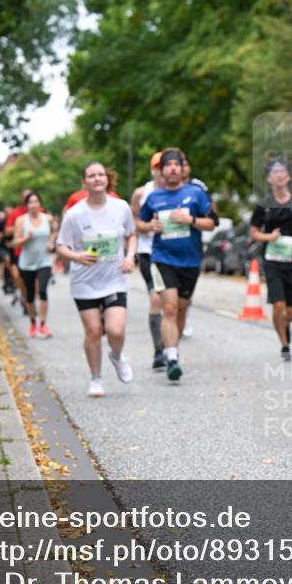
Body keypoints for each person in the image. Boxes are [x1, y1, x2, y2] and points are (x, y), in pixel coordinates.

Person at [56, 162, 137, 398]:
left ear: (107, 179)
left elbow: (132, 235)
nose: (97, 178)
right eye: (91, 176)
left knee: (115, 330)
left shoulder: (121, 207)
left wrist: (130, 257)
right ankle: (96, 378)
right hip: (85, 282)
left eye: (101, 174)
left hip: (114, 279)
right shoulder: (75, 214)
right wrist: (76, 256)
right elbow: (61, 246)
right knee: (93, 331)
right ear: (85, 182)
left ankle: (117, 355)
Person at [137, 149, 216, 382]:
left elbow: (211, 223)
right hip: (163, 259)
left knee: (181, 309)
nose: (172, 168)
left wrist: (190, 220)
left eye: (176, 165)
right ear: (160, 172)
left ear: (183, 169)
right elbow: (139, 223)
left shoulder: (196, 194)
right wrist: (150, 226)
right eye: (167, 165)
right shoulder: (153, 199)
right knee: (168, 308)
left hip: (190, 261)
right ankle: (171, 358)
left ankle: (173, 347)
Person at [250, 159, 292, 361]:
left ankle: (284, 324)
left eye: (282, 171)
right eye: (274, 172)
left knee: (291, 312)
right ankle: (284, 345)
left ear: (288, 176)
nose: (279, 175)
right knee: (278, 306)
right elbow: (254, 233)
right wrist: (269, 237)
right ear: (269, 178)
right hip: (273, 261)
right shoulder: (264, 205)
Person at [131, 151, 167, 369]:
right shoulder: (141, 193)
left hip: (175, 253)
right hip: (149, 252)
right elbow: (134, 222)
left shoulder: (182, 192)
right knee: (156, 299)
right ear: (153, 170)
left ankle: (171, 345)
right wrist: (148, 227)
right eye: (157, 168)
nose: (161, 173)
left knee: (175, 304)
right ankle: (158, 351)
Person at [13, 191, 57, 338]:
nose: (33, 205)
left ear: (40, 204)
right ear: (26, 205)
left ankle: (43, 324)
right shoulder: (21, 221)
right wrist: (26, 238)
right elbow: (15, 242)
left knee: (43, 290)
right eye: (30, 202)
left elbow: (53, 233)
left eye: (36, 201)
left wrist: (51, 242)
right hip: (27, 263)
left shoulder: (48, 219)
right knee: (30, 295)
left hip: (44, 260)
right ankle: (33, 323)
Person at [178, 153, 209, 339]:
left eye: (184, 163)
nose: (180, 168)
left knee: (183, 298)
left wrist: (191, 219)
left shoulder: (198, 187)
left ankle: (184, 315)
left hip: (191, 247)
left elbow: (211, 214)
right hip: (164, 250)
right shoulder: (162, 188)